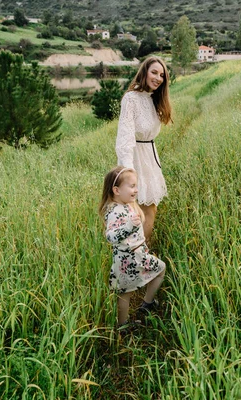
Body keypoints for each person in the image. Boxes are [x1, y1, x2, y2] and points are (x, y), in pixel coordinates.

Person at [98, 166, 166, 329]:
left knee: (159, 269)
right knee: (125, 294)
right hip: (127, 258)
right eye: (132, 186)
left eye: (136, 185)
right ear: (116, 190)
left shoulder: (127, 203)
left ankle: (145, 304)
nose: (136, 190)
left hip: (138, 255)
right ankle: (123, 324)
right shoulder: (115, 211)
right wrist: (128, 226)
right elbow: (111, 236)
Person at [116, 56, 173, 245]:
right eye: (154, 72)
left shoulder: (153, 99)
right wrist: (128, 170)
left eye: (162, 75)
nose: (158, 78)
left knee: (150, 208)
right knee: (138, 210)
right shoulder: (131, 98)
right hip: (135, 157)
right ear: (144, 72)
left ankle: (143, 250)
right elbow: (125, 136)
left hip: (150, 156)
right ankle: (137, 253)